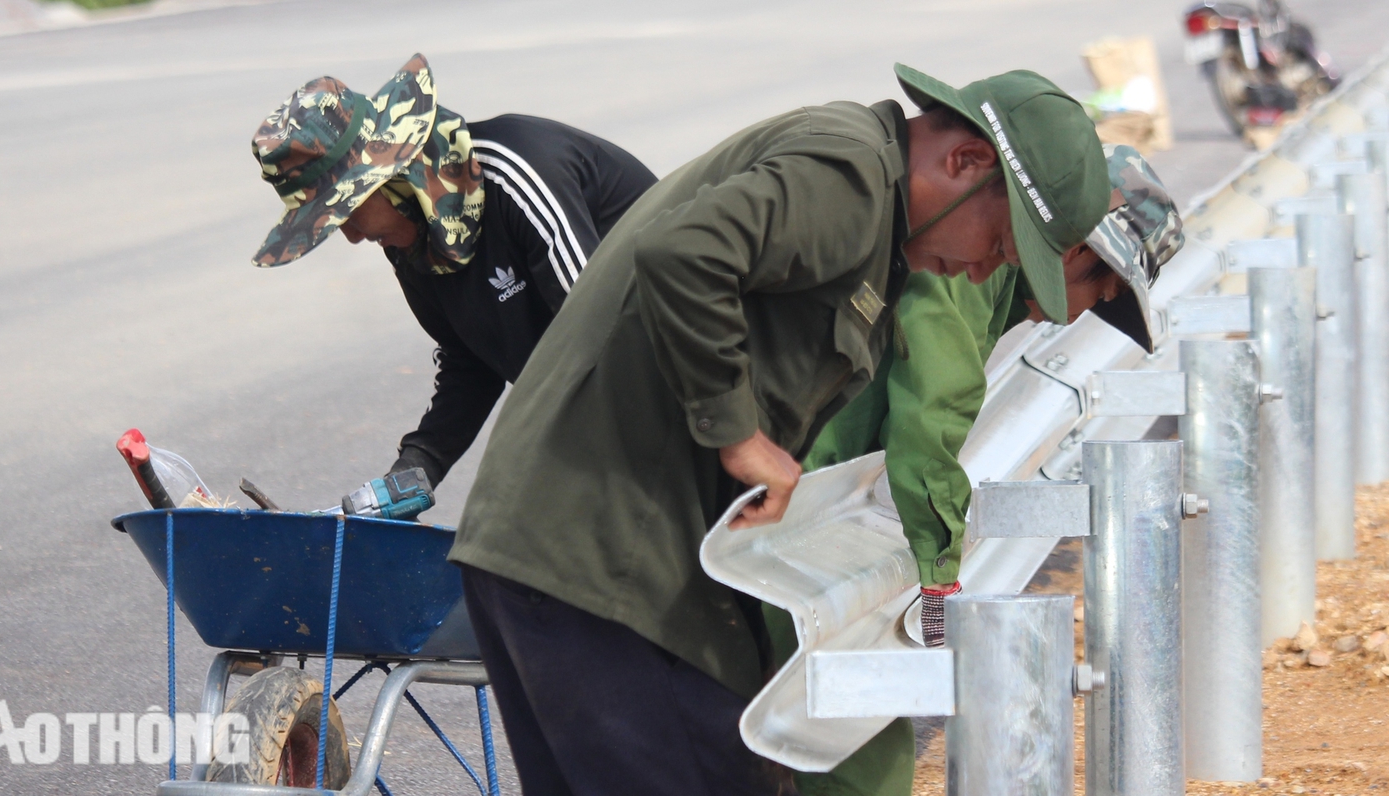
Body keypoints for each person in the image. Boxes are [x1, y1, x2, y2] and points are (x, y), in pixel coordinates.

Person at [449, 64, 1112, 796]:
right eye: (1000, 240)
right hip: (599, 562)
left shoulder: (875, 213)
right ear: (964, 162)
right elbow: (685, 253)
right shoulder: (851, 175)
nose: (987, 270)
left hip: (565, 561)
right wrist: (737, 432)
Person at [765, 145, 1185, 796]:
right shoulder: (965, 268)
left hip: (801, 503)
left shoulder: (987, 273)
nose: (1081, 315)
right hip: (793, 511)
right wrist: (939, 583)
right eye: (1098, 294)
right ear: (1073, 250)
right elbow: (929, 418)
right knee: (846, 732)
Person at [248, 52, 657, 490]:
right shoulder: (415, 238)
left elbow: (602, 336)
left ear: (387, 178)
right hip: (614, 404)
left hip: (687, 372)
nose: (351, 236)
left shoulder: (516, 176)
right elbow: (471, 361)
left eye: (345, 213)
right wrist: (418, 467)